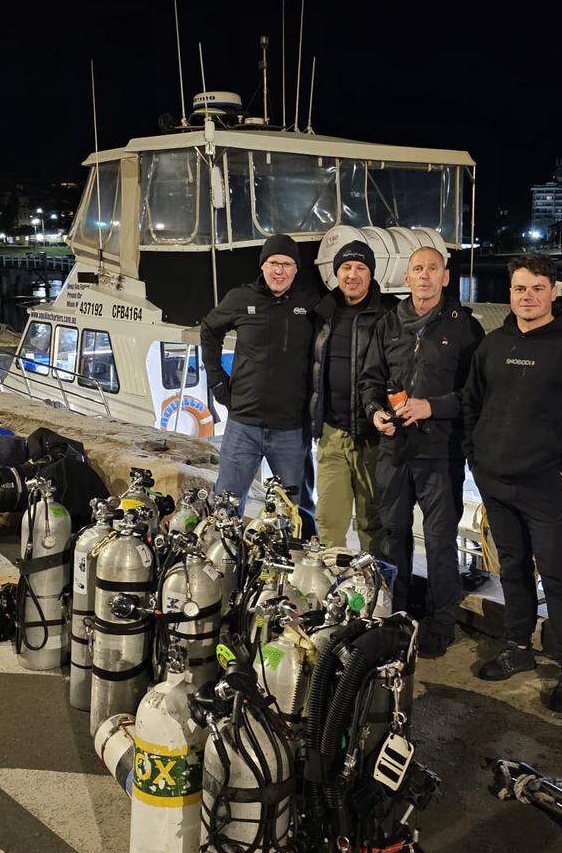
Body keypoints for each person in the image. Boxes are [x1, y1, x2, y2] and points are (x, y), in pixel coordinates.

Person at [463, 252, 562, 713]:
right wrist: (477, 460)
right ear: (508, 293)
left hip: (545, 484)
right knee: (510, 568)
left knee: (557, 577)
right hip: (495, 480)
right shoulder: (493, 344)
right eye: (518, 289)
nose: (526, 297)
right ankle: (517, 646)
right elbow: (473, 405)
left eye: (535, 288)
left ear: (554, 292)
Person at [360, 245, 483, 657]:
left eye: (433, 269)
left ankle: (440, 622)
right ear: (406, 277)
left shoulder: (465, 328)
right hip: (394, 448)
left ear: (446, 277)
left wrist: (433, 406)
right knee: (392, 534)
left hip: (440, 452)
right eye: (418, 269)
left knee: (439, 540)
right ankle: (394, 615)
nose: (425, 276)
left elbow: (474, 395)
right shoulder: (389, 323)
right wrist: (375, 412)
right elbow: (370, 381)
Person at [201, 234, 321, 510]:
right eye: (273, 263)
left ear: (296, 269)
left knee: (296, 511)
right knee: (225, 506)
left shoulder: (311, 303)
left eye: (287, 264)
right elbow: (209, 330)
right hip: (244, 424)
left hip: (291, 429)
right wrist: (216, 379)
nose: (279, 270)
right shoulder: (241, 298)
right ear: (262, 265)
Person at [309, 239, 390, 551]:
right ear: (335, 273)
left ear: (371, 274)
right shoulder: (322, 314)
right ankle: (332, 594)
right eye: (346, 267)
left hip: (372, 438)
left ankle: (377, 594)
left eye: (360, 268)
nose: (352, 274)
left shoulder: (387, 316)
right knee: (329, 523)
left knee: (373, 524)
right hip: (331, 434)